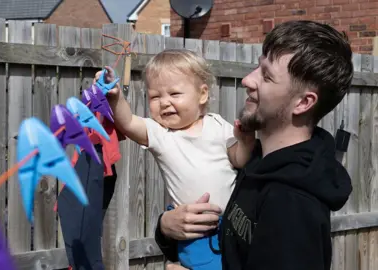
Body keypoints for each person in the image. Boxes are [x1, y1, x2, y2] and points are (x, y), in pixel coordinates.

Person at [154, 20, 354, 270]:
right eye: (257, 68)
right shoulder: (256, 160)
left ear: (303, 102)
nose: (248, 80)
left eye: (266, 76)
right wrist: (166, 228)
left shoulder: (293, 205)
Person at [95, 49, 256, 269]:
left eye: (174, 94)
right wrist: (115, 97)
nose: (164, 102)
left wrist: (246, 141)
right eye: (155, 96)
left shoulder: (217, 125)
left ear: (202, 94)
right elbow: (128, 122)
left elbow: (238, 160)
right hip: (194, 230)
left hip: (232, 223)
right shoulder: (161, 134)